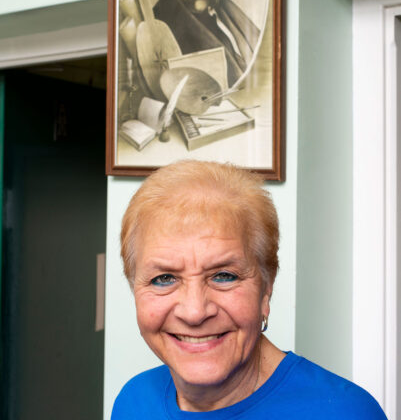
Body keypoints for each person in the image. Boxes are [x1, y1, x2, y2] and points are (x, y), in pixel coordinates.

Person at [112, 160, 387, 419]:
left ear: (266, 288)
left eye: (223, 275)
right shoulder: (133, 401)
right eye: (164, 279)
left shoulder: (345, 412)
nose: (195, 312)